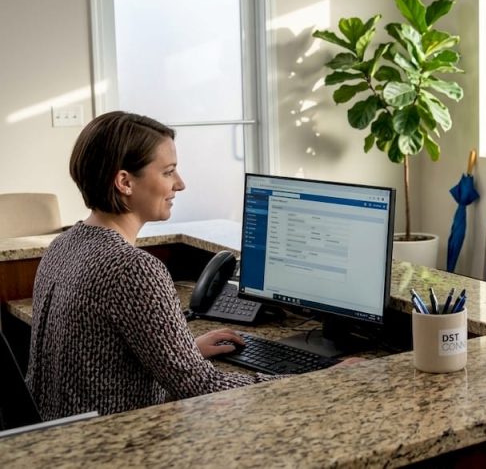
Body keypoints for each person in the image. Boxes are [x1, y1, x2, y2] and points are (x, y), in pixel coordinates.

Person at [25, 111, 358, 420]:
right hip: (113, 446)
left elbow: (98, 363)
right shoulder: (132, 268)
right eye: (168, 171)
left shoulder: (64, 244)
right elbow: (202, 387)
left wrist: (182, 352)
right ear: (125, 182)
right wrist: (315, 381)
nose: (180, 184)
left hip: (60, 442)